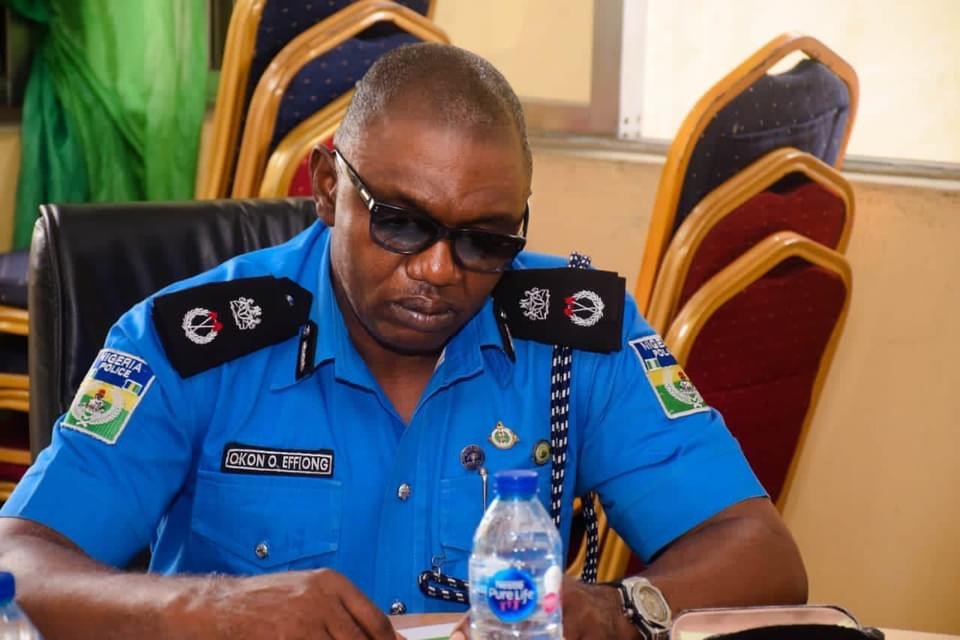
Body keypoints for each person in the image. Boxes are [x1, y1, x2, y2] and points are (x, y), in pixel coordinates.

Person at [0, 43, 806, 639]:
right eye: (402, 223)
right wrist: (212, 610)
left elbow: (760, 553)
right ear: (327, 187)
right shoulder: (195, 339)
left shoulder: (571, 336)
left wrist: (623, 609)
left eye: (486, 239)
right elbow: (19, 561)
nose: (440, 271)